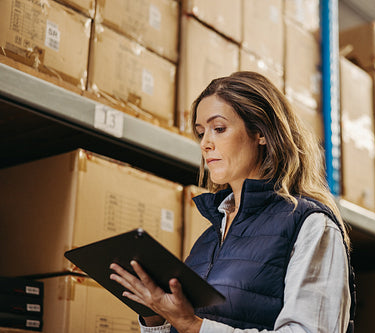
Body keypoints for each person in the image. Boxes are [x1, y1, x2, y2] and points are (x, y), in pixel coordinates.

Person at [110, 71, 355, 333]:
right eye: (201, 133)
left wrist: (193, 326)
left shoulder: (311, 224)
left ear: (261, 132)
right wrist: (157, 317)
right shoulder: (208, 240)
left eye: (218, 129)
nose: (205, 143)